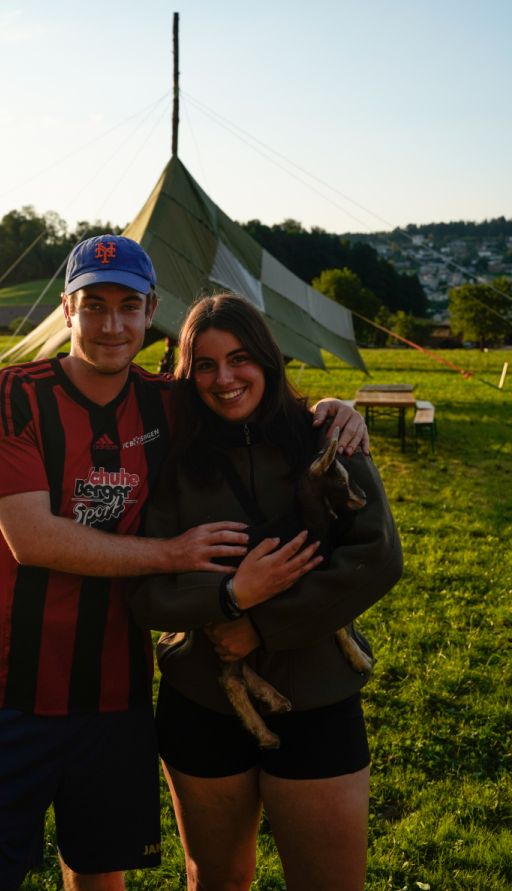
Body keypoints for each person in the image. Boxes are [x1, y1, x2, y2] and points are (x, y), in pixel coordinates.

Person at [0, 235, 370, 891]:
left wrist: (333, 412)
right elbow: (31, 539)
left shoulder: (167, 403)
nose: (111, 325)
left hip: (115, 690)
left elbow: (243, 398)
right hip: (8, 687)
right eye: (93, 305)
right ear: (67, 309)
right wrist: (172, 554)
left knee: (97, 870)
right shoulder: (12, 393)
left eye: (127, 307)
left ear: (151, 313)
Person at [127, 293, 403, 891]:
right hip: (200, 699)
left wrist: (259, 625)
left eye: (240, 358)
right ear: (187, 373)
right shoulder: (173, 458)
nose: (224, 379)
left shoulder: (324, 433)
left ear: (268, 358)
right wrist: (229, 597)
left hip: (316, 696)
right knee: (216, 880)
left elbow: (378, 556)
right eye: (205, 364)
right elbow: (146, 593)